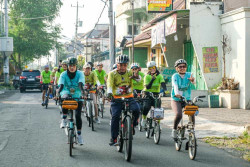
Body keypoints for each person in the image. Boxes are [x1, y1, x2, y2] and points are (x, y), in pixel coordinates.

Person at [107, 54, 141, 146]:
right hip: (116, 98)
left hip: (129, 97)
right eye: (120, 65)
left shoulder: (130, 72)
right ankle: (114, 138)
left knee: (137, 109)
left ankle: (132, 126)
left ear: (127, 65)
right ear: (117, 65)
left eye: (124, 65)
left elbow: (138, 80)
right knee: (115, 116)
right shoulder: (112, 74)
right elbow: (109, 85)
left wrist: (136, 75)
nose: (122, 67)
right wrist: (109, 93)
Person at [57, 57, 85, 145]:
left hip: (77, 93)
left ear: (76, 66)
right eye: (70, 65)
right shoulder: (63, 74)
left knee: (77, 115)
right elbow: (61, 85)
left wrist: (83, 93)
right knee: (64, 98)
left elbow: (80, 84)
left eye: (73, 65)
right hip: (66, 91)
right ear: (67, 66)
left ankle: (79, 135)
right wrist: (58, 94)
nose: (71, 67)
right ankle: (64, 119)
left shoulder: (80, 74)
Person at [171, 59, 195, 139]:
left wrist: (193, 81)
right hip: (176, 99)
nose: (182, 68)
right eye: (180, 67)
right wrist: (177, 93)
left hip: (186, 98)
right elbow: (175, 85)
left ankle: (192, 131)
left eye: (184, 66)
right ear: (176, 68)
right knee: (179, 114)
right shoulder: (175, 76)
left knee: (192, 112)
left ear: (186, 67)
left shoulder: (189, 74)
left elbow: (194, 82)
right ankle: (174, 130)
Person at [141, 61, 168, 127]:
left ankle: (158, 124)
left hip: (156, 94)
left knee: (158, 109)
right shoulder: (147, 76)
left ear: (155, 67)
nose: (152, 69)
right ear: (148, 69)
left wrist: (165, 90)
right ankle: (144, 118)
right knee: (146, 107)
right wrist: (152, 79)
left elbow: (163, 83)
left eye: (153, 67)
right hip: (147, 94)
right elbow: (147, 87)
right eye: (150, 68)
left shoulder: (159, 76)